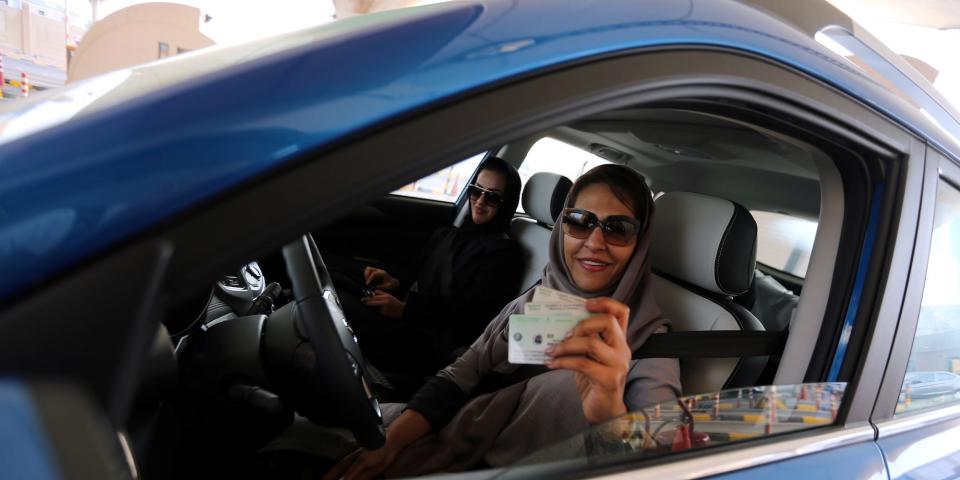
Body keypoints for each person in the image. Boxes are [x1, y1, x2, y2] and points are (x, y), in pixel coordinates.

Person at [325, 164, 682, 479]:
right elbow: (464, 374)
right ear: (562, 226)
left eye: (618, 228)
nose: (595, 241)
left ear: (640, 243)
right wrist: (391, 444)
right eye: (580, 221)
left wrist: (608, 413)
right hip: (455, 433)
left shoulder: (648, 342)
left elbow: (661, 463)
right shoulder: (542, 299)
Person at [338, 156, 524, 373]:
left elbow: (472, 313)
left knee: (341, 307)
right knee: (340, 279)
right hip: (411, 315)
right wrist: (396, 282)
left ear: (507, 203)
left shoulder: (505, 254)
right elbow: (422, 275)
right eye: (476, 190)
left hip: (430, 339)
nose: (480, 201)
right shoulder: (449, 234)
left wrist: (406, 310)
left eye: (492, 197)